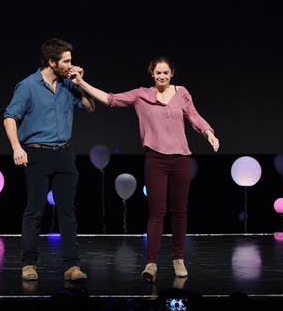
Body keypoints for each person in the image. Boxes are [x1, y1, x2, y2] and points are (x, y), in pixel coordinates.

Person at [71, 56, 219, 282]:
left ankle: (178, 259)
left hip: (180, 159)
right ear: (152, 74)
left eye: (166, 73)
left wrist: (208, 132)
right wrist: (81, 83)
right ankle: (151, 263)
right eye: (158, 73)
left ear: (171, 74)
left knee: (179, 212)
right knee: (157, 212)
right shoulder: (142, 95)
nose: (162, 76)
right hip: (155, 160)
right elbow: (110, 99)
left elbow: (193, 116)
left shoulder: (182, 93)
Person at [3, 37, 95, 281]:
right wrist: (16, 147)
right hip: (37, 152)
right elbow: (10, 117)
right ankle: (29, 264)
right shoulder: (28, 86)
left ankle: (72, 266)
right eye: (66, 61)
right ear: (52, 62)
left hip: (64, 154)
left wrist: (81, 83)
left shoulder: (68, 83)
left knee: (67, 210)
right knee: (35, 211)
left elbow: (89, 107)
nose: (71, 64)